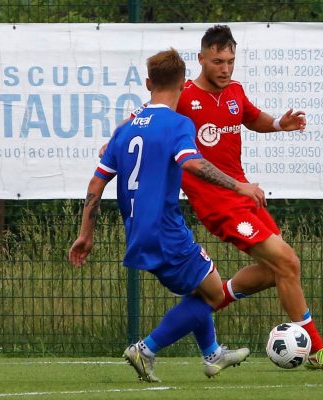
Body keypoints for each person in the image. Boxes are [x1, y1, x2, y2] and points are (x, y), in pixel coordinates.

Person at [69, 48, 267, 382]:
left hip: (138, 231)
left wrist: (86, 234)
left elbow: (96, 183)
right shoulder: (178, 123)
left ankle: (212, 354)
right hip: (166, 231)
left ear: (148, 83)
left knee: (198, 288)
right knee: (215, 293)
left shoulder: (126, 129)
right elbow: (191, 162)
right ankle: (146, 349)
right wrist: (240, 186)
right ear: (183, 84)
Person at [176, 25, 323, 371]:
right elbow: (147, 116)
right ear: (201, 59)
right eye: (217, 61)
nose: (225, 68)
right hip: (219, 204)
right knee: (287, 263)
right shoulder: (184, 97)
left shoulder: (234, 91)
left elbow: (249, 116)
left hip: (245, 199)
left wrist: (278, 123)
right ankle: (317, 351)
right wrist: (118, 139)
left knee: (277, 270)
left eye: (230, 61)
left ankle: (198, 306)